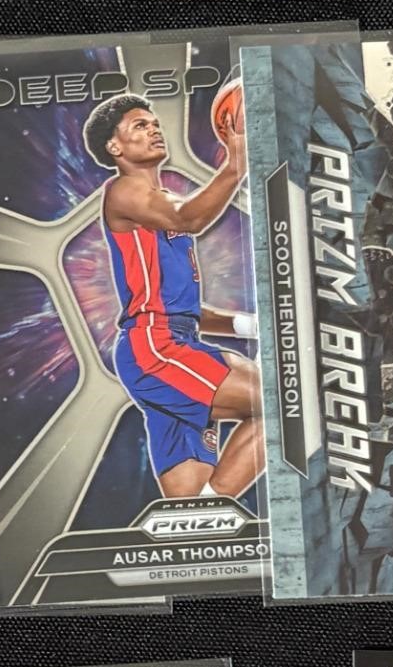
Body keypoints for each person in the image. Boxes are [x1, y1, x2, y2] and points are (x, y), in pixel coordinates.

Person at [86, 89, 262, 502]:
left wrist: (249, 324)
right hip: (155, 348)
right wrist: (235, 164)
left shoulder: (163, 207)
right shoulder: (122, 190)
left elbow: (183, 309)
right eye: (139, 126)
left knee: (189, 501)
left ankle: (204, 517)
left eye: (154, 124)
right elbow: (190, 219)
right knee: (277, 402)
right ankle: (213, 509)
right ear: (115, 147)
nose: (154, 130)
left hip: (171, 340)